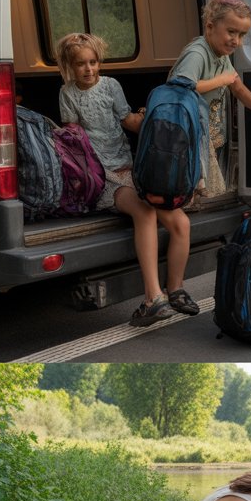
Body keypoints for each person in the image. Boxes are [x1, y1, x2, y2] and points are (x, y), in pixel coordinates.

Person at [55, 32, 199, 327]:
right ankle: (152, 298)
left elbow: (128, 120)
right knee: (144, 210)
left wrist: (153, 123)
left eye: (93, 62)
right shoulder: (67, 93)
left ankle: (176, 289)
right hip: (100, 174)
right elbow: (74, 140)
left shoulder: (111, 86)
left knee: (181, 223)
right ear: (70, 66)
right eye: (81, 64)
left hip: (129, 167)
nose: (89, 69)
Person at [167, 0, 251, 199]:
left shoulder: (220, 55)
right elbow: (180, 86)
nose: (236, 41)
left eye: (242, 35)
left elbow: (236, 86)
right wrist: (220, 80)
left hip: (210, 136)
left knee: (209, 188)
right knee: (193, 188)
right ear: (210, 26)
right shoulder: (198, 53)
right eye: (231, 32)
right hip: (188, 136)